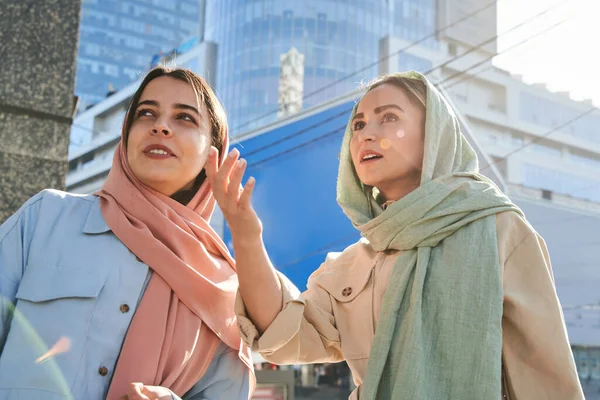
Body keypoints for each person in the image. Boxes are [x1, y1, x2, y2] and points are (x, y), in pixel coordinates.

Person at [205, 71, 584, 399]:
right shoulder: (351, 267)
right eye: (358, 125)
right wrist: (246, 234)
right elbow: (282, 335)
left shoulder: (499, 230)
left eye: (388, 118)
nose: (367, 133)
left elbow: (545, 376)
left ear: (432, 136)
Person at [0, 67, 255, 400]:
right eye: (146, 113)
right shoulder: (46, 218)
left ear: (214, 153)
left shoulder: (223, 289)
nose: (160, 126)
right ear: (126, 134)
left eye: (185, 118)